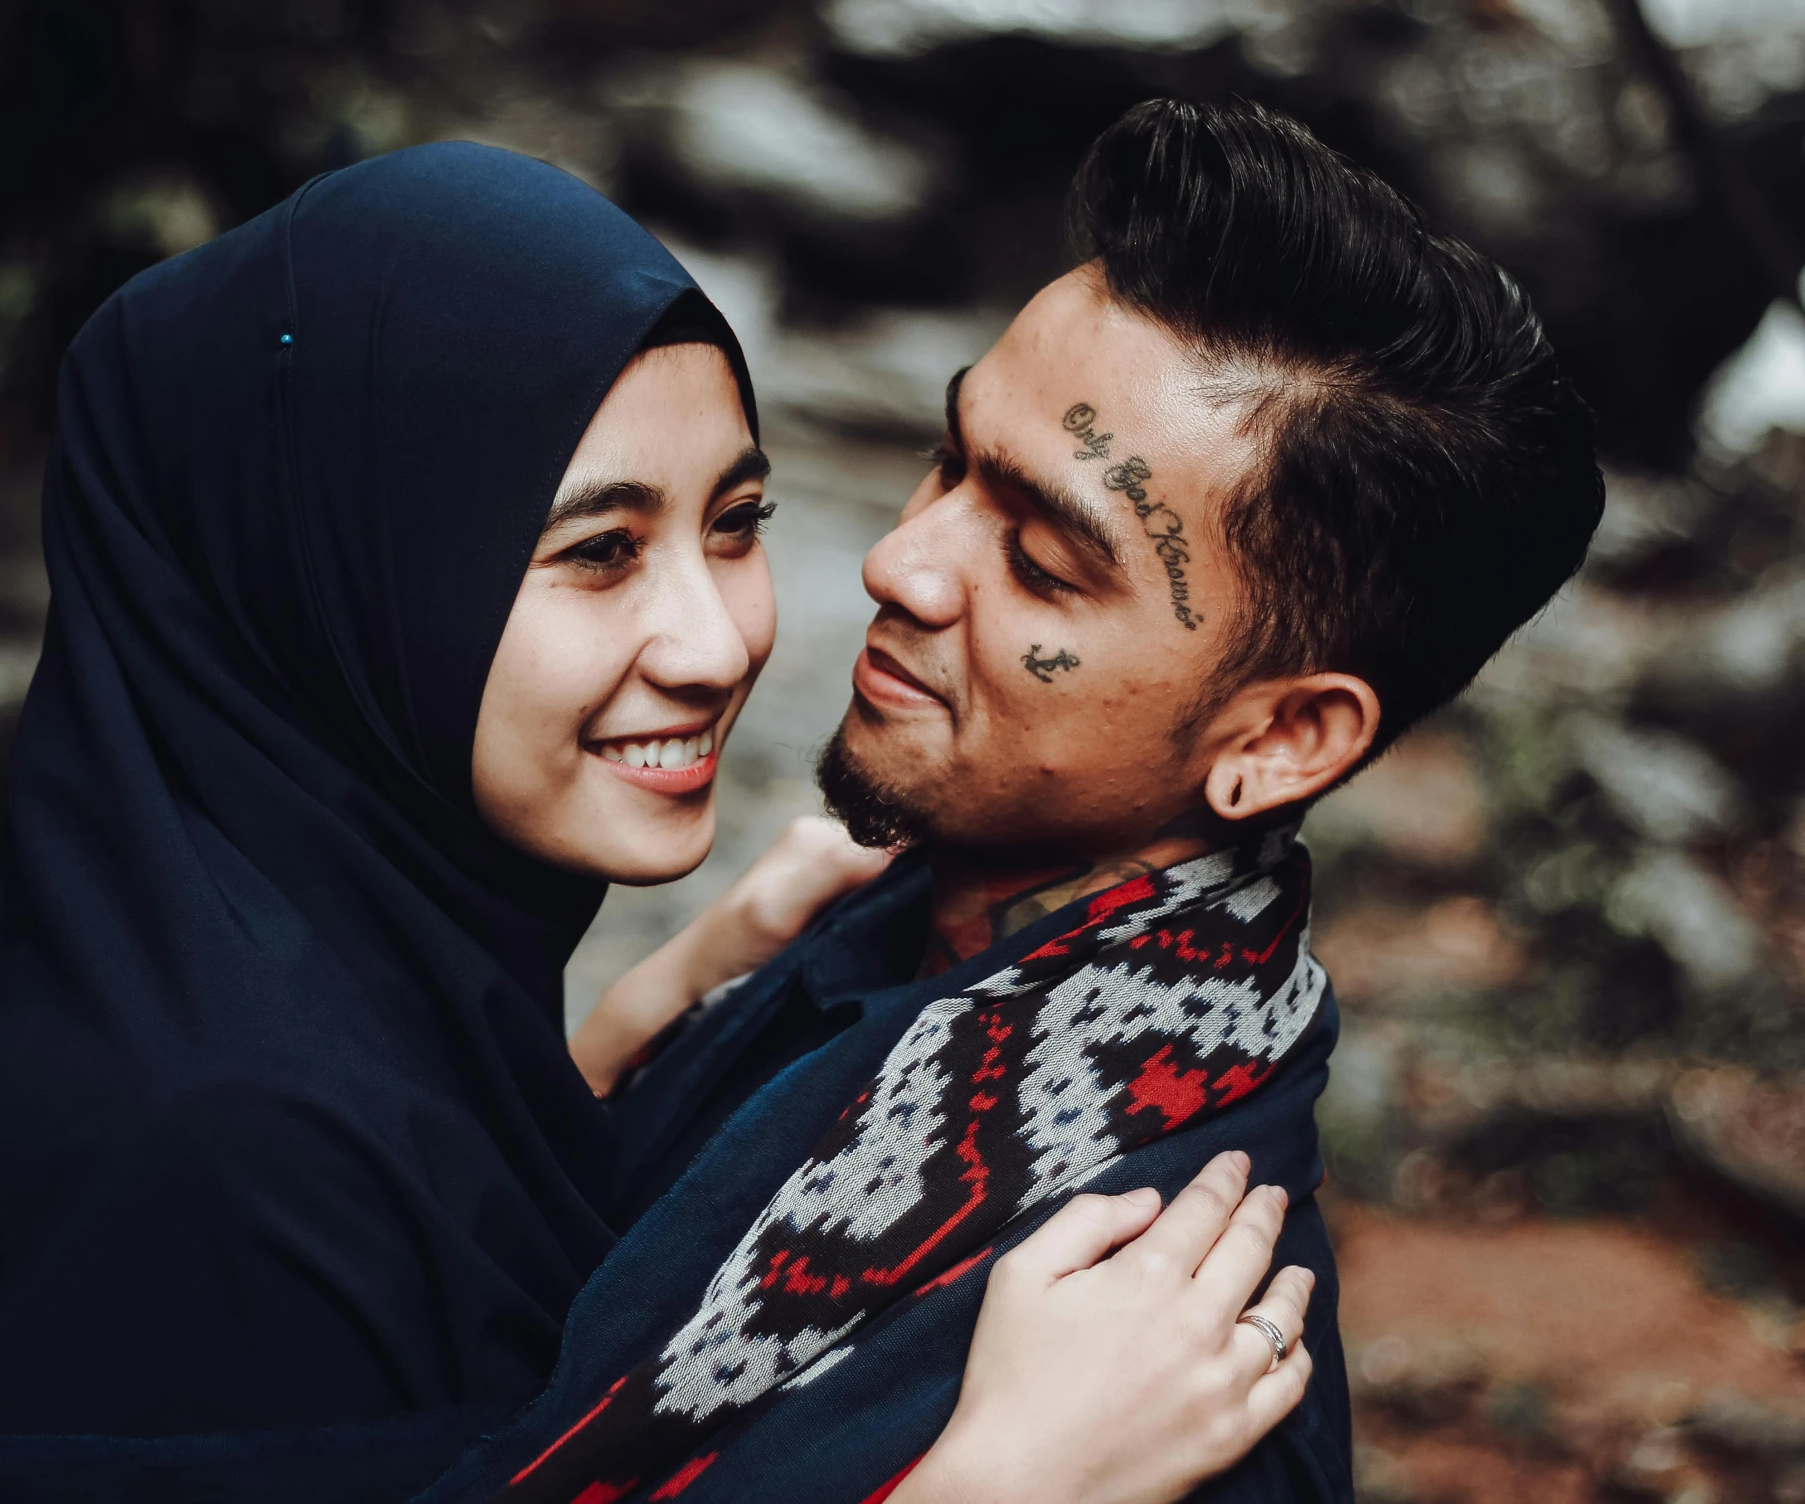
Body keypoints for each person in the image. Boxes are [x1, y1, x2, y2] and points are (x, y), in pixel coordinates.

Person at [0, 140, 1311, 1504]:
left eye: (734, 522)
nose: (717, 636)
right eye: (597, 552)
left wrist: (667, 1005)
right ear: (339, 590)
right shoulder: (213, 1157)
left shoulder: (226, 924)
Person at [431, 98, 1603, 1502]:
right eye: (947, 461)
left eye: (1042, 560)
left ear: (1283, 737)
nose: (902, 563)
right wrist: (657, 1008)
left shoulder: (1155, 1346)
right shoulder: (878, 931)